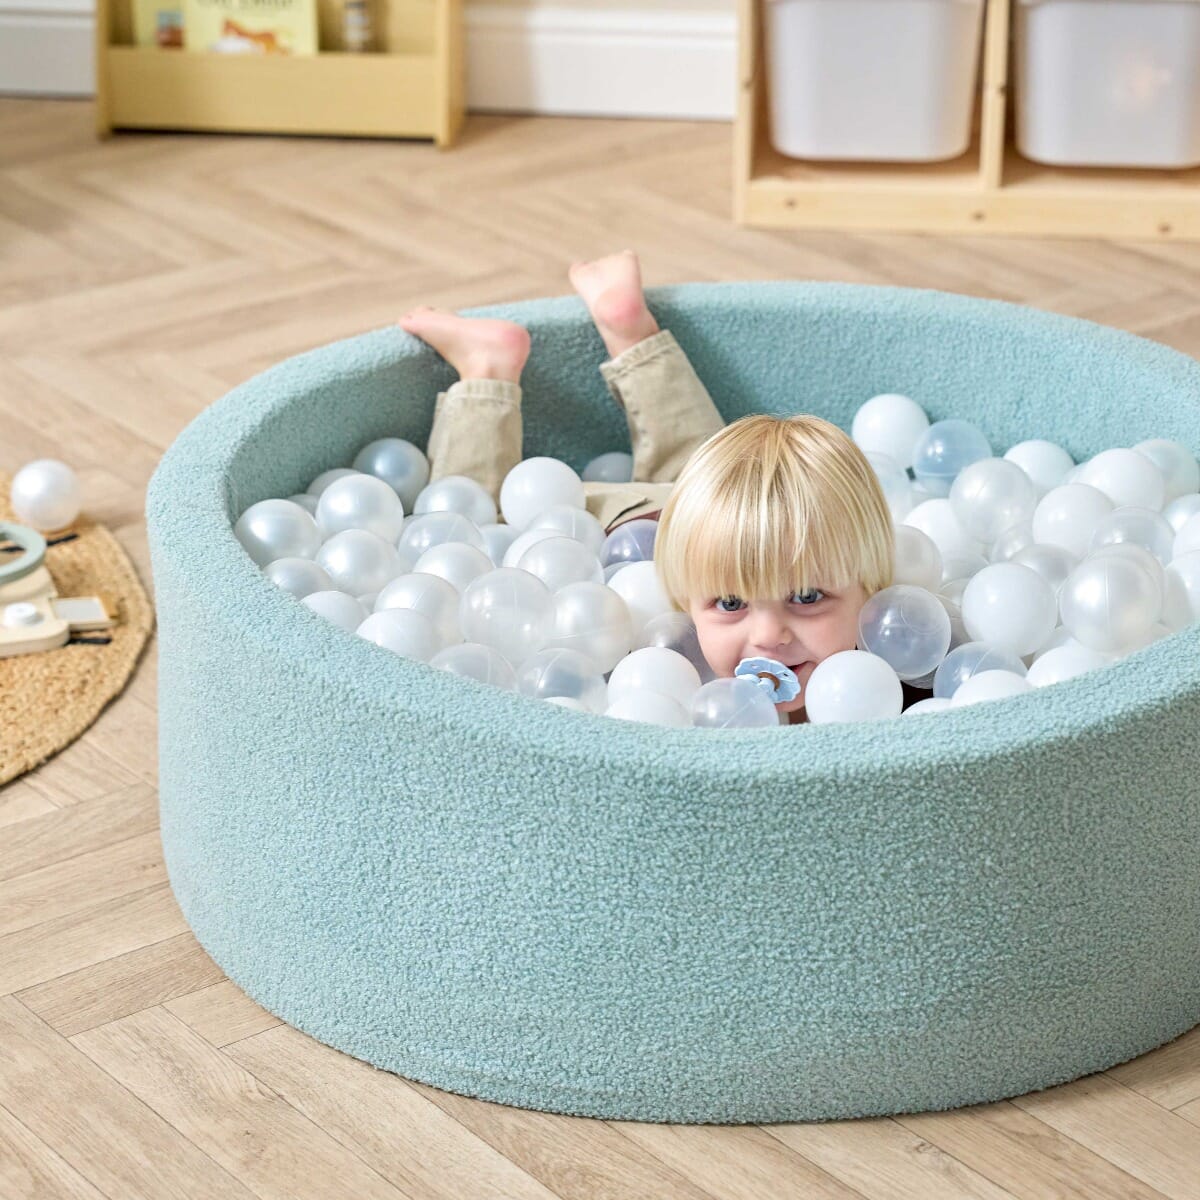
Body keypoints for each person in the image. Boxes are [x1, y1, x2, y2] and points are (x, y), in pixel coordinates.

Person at [399, 251, 894, 723]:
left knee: (689, 458)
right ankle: (487, 369)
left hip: (699, 520)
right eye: (730, 604)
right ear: (683, 599)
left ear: (872, 585)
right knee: (475, 529)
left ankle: (631, 330)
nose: (769, 636)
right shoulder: (640, 653)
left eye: (806, 597)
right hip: (627, 525)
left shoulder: (899, 653)